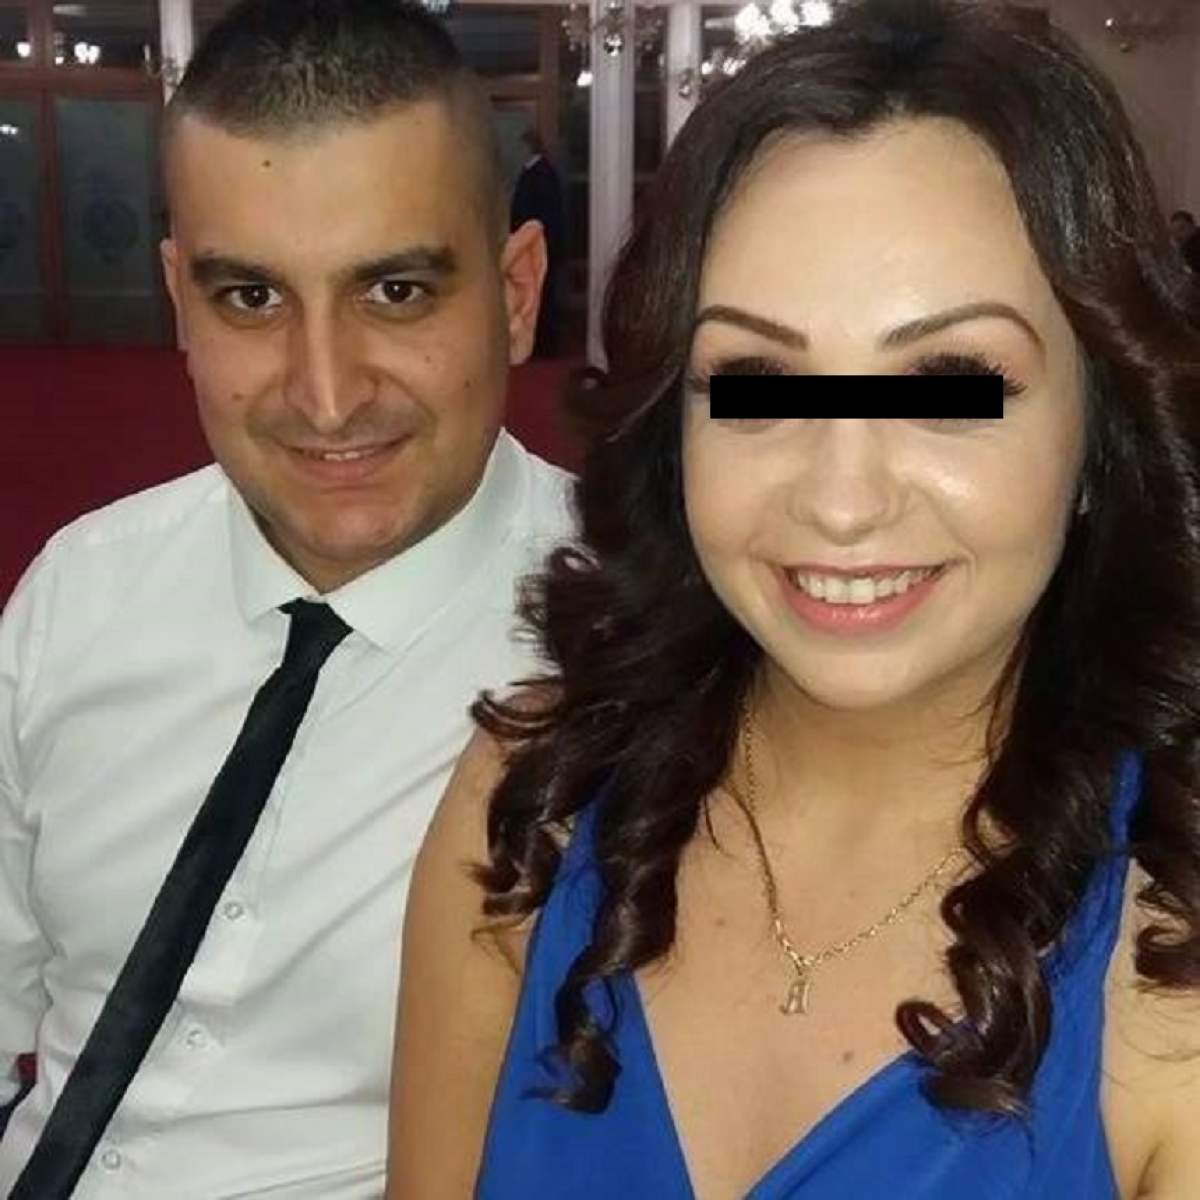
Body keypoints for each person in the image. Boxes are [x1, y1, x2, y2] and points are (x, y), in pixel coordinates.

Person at [387, 1, 1200, 1197]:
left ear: (1101, 434)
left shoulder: (1165, 967)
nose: (841, 499)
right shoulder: (531, 806)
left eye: (952, 385)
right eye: (758, 383)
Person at [0, 0, 574, 1195]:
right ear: (179, 300)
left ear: (517, 293)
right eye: (251, 299)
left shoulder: (644, 642)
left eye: (396, 291)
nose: (326, 395)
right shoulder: (79, 593)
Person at [510, 128, 567, 358]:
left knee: (542, 295)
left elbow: (542, 213)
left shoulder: (540, 173)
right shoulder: (535, 171)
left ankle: (544, 344)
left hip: (539, 243)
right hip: (533, 242)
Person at [1169, 209, 1200, 273]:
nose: (1179, 235)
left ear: (1192, 225)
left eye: (1182, 228)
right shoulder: (1186, 247)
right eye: (1175, 232)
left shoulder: (1193, 246)